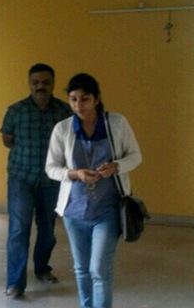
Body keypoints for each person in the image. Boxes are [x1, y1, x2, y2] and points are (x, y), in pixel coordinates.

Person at [45, 73, 142, 308]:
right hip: (74, 211)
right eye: (73, 99)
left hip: (107, 209)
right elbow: (51, 167)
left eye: (85, 99)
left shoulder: (116, 123)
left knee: (99, 268)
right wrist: (74, 174)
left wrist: (117, 166)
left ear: (97, 99)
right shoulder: (63, 129)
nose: (79, 105)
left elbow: (135, 155)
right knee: (81, 268)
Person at [0, 63, 73, 298]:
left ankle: (42, 268)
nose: (40, 86)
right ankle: (15, 283)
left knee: (48, 231)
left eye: (45, 82)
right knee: (18, 230)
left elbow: (71, 142)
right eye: (35, 82)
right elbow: (7, 139)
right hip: (21, 178)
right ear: (29, 84)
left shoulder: (64, 112)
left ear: (53, 84)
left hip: (52, 180)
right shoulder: (16, 111)